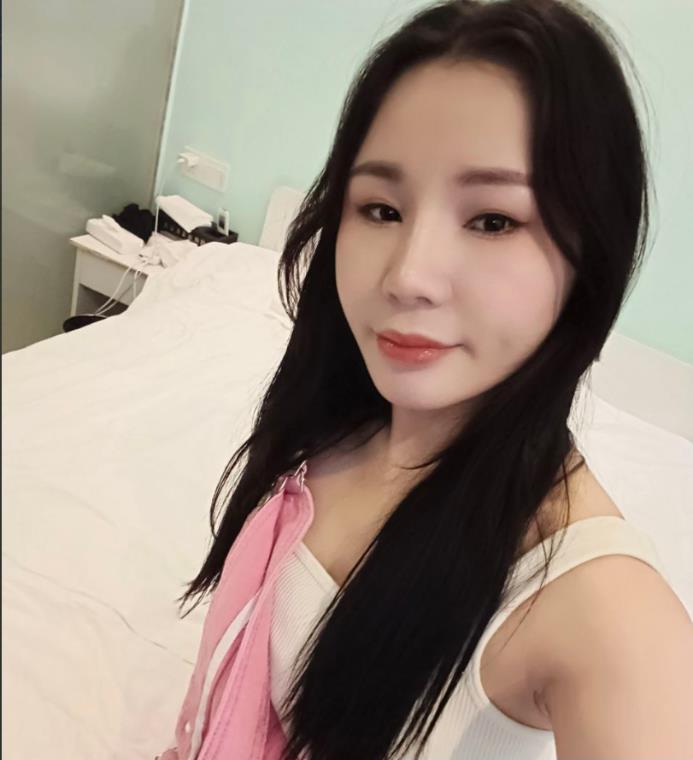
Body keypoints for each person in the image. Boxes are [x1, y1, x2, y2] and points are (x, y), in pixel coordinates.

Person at [160, 1, 693, 758]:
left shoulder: (603, 613)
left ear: (589, 257)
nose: (408, 276)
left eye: (493, 221)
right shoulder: (330, 426)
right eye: (380, 209)